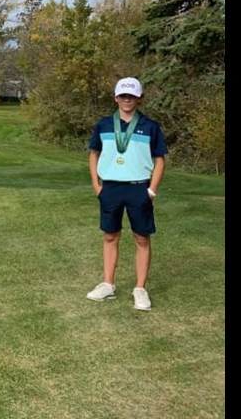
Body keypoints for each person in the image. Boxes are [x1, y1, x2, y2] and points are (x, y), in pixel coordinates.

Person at [86, 77, 168, 311]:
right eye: (123, 95)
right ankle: (108, 284)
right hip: (110, 187)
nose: (127, 100)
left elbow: (160, 159)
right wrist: (96, 185)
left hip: (138, 187)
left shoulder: (150, 126)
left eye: (131, 96)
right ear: (116, 97)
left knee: (142, 238)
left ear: (139, 98)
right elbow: (94, 154)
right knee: (110, 236)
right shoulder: (103, 125)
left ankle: (140, 289)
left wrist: (152, 190)